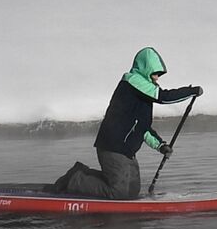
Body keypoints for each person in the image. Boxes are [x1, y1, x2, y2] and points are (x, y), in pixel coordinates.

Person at [49, 47, 202, 200]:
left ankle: (82, 172)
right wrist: (190, 91)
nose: (157, 78)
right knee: (118, 193)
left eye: (158, 75)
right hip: (113, 147)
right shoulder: (132, 81)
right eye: (155, 73)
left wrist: (161, 146)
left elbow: (143, 128)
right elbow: (164, 97)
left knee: (132, 191)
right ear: (145, 69)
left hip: (127, 151)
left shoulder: (143, 92)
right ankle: (76, 180)